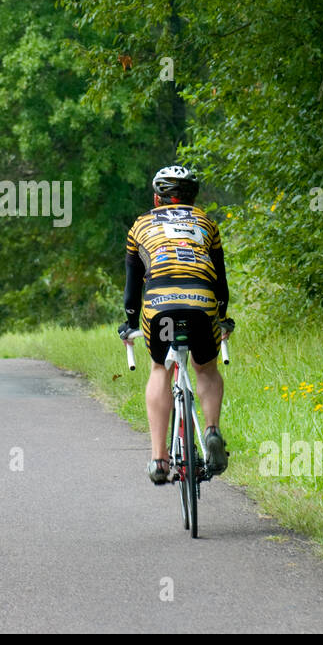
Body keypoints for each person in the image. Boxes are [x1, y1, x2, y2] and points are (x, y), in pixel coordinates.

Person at [118, 166, 233, 484]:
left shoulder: (140, 225)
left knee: (160, 369)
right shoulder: (206, 222)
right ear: (193, 198)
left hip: (160, 305)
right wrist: (222, 317)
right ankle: (211, 430)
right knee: (206, 369)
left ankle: (159, 459)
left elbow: (132, 289)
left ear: (157, 198)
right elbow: (220, 283)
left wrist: (130, 322)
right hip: (201, 302)